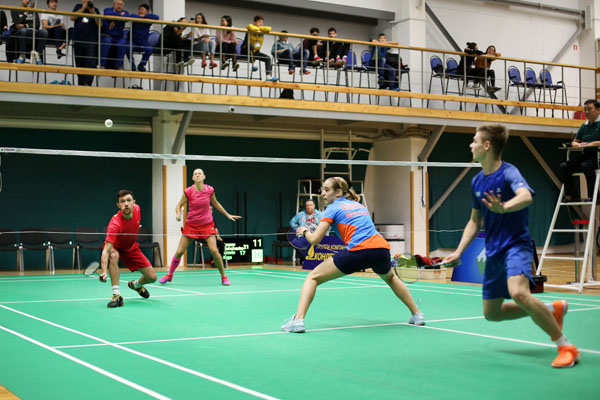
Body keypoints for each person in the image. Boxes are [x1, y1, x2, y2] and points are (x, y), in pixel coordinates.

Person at [443, 124, 579, 368]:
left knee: (518, 293)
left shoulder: (509, 173)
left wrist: (504, 207)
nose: (470, 145)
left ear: (487, 146)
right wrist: (458, 251)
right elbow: (475, 221)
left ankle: (566, 346)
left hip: (516, 245)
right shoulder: (476, 181)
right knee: (492, 314)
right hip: (494, 250)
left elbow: (526, 196)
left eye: (475, 141)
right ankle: (550, 309)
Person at [281, 177, 425, 333]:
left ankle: (298, 320)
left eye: (326, 190)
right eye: (322, 189)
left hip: (358, 251)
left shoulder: (331, 209)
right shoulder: (359, 205)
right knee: (390, 278)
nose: (322, 193)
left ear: (338, 192)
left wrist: (304, 231)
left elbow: (315, 240)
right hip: (381, 249)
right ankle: (417, 315)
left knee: (312, 277)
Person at [159, 168, 241, 286]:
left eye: (199, 173)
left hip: (207, 225)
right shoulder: (188, 191)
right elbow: (179, 205)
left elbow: (216, 203)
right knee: (179, 251)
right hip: (191, 225)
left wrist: (227, 214)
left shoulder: (209, 190)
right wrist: (177, 214)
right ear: (193, 177)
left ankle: (224, 276)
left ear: (204, 177)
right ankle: (169, 275)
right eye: (195, 174)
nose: (197, 175)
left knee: (214, 250)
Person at [99, 190, 158, 308]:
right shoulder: (115, 223)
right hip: (116, 247)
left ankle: (135, 285)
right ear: (118, 205)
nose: (126, 204)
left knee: (152, 278)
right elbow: (106, 250)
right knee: (113, 255)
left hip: (131, 247)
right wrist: (104, 271)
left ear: (133, 202)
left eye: (128, 200)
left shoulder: (137, 209)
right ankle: (116, 295)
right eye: (122, 201)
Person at [558, 99, 600, 202]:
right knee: (564, 167)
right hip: (586, 154)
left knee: (585, 166)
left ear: (598, 110)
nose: (587, 112)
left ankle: (595, 197)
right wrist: (579, 144)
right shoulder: (584, 126)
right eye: (585, 109)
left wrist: (591, 143)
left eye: (589, 109)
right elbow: (574, 142)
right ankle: (572, 196)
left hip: (597, 155)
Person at [240, 15, 279, 82]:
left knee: (268, 58)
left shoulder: (261, 30)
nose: (261, 23)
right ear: (254, 22)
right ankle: (253, 64)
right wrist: (260, 29)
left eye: (262, 22)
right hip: (245, 50)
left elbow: (269, 28)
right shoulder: (250, 26)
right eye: (259, 21)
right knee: (251, 45)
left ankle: (268, 76)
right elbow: (251, 27)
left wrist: (260, 28)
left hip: (255, 52)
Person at [71, 0, 100, 86]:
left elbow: (100, 24)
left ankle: (87, 84)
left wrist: (93, 13)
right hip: (78, 39)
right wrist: (82, 8)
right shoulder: (78, 6)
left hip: (91, 40)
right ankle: (81, 84)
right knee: (79, 63)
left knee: (91, 63)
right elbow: (72, 18)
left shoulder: (95, 9)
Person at [11, 0, 48, 64]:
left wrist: (25, 25)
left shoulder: (33, 11)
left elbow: (37, 25)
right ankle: (22, 55)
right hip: (21, 31)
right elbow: (17, 24)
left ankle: (38, 56)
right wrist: (25, 13)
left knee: (44, 32)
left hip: (33, 30)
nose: (28, 1)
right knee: (23, 30)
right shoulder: (15, 10)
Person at [127, 3, 159, 72]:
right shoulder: (135, 17)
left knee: (149, 49)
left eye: (142, 10)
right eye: (139, 10)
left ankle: (141, 65)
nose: (140, 11)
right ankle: (132, 65)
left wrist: (144, 16)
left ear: (147, 11)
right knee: (128, 47)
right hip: (133, 40)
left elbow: (156, 17)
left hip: (143, 41)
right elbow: (132, 15)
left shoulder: (149, 18)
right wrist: (142, 17)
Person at [100, 0, 130, 69]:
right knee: (106, 41)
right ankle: (102, 64)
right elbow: (107, 14)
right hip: (106, 35)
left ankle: (119, 65)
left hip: (118, 37)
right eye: (118, 4)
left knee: (123, 43)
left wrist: (114, 20)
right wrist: (120, 16)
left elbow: (128, 16)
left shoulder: (125, 12)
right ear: (113, 5)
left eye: (121, 5)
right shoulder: (107, 10)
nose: (119, 6)